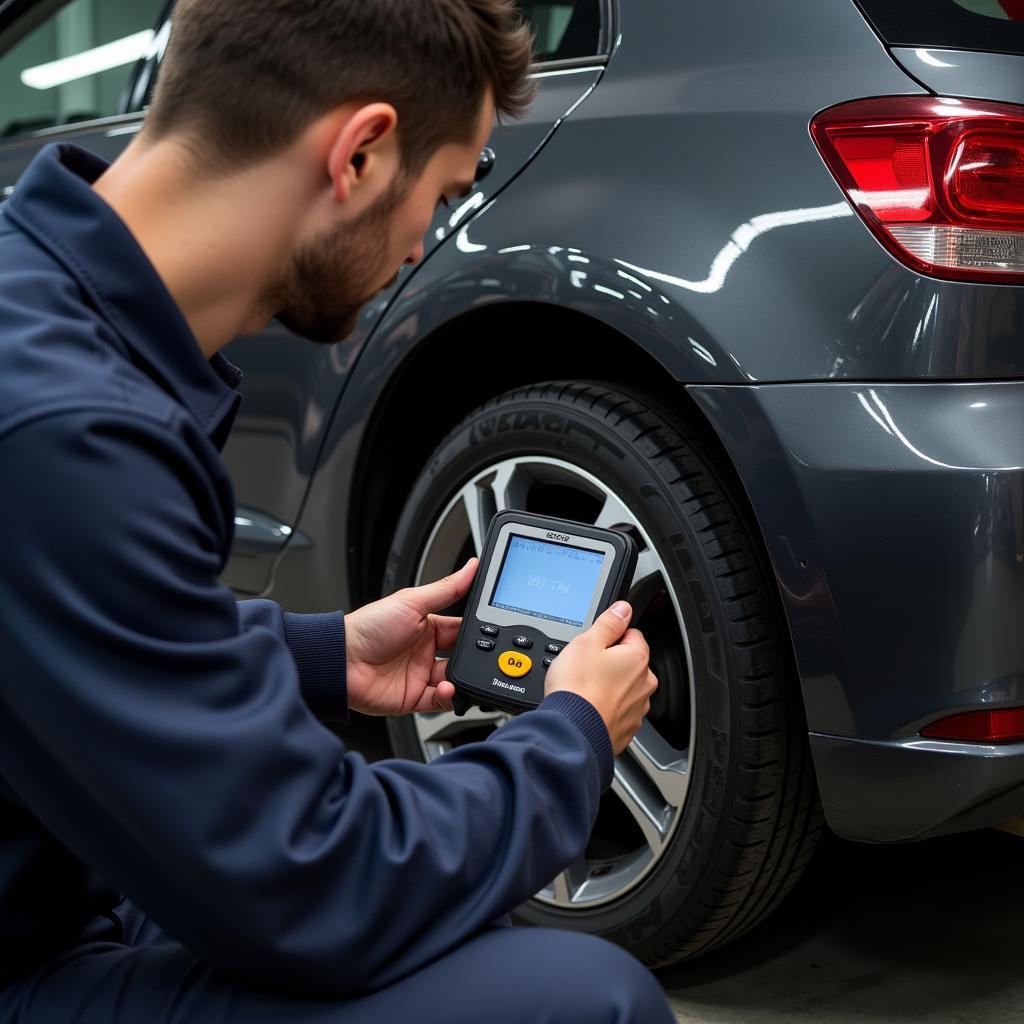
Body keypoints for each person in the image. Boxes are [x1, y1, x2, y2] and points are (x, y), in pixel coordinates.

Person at [0, 0, 674, 1021]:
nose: (422, 244)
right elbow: (315, 883)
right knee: (582, 999)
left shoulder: (38, 311)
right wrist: (571, 737)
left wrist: (320, 654)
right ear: (359, 154)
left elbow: (64, 631)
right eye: (443, 193)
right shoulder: (71, 429)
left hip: (40, 877)